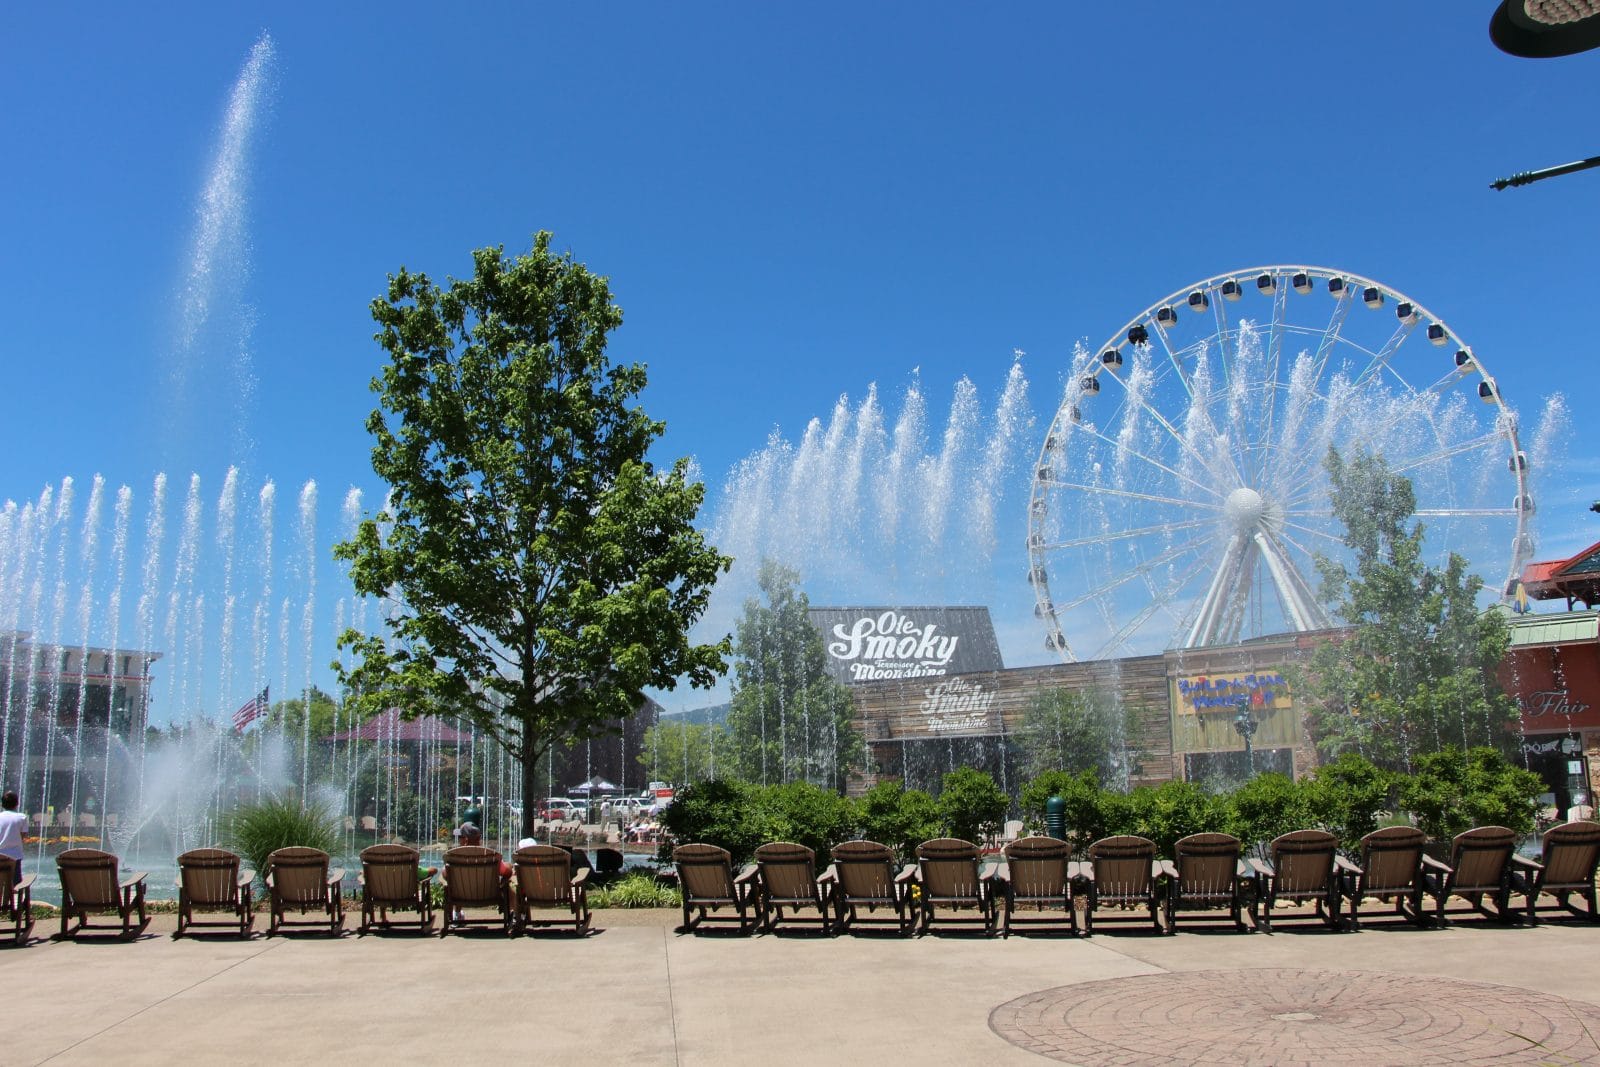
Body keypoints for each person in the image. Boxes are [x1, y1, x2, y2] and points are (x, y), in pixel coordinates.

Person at [0, 791, 25, 879]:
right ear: (17, 803)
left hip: (0, 855)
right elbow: (22, 836)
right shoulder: (22, 817)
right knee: (15, 883)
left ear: (2, 804)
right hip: (15, 856)